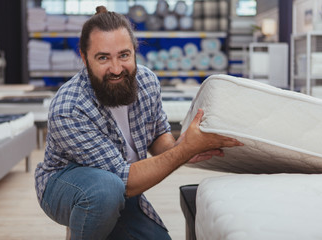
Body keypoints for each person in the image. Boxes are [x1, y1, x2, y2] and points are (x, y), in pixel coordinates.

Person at [34, 6, 243, 240]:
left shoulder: (147, 81)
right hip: (65, 184)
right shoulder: (69, 108)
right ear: (84, 58)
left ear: (134, 51)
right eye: (103, 57)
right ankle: (85, 222)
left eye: (124, 55)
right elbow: (127, 182)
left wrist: (179, 146)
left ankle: (99, 218)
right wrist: (184, 151)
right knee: (104, 193)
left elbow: (158, 135)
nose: (116, 69)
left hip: (119, 185)